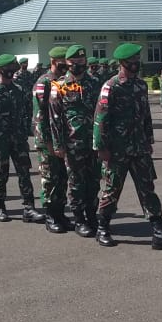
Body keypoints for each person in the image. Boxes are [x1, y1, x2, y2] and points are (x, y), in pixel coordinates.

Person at [92, 42, 162, 251]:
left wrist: (149, 139)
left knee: (148, 189)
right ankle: (102, 227)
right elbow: (100, 119)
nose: (136, 64)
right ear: (122, 63)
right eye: (132, 61)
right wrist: (101, 147)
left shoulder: (141, 85)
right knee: (112, 189)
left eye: (137, 60)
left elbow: (145, 115)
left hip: (139, 147)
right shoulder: (111, 86)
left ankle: (159, 232)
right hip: (117, 149)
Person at [0, 54, 44, 224]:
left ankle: (29, 208)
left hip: (18, 140)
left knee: (24, 174)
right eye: (7, 69)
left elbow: (26, 113)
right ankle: (1, 208)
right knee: (0, 175)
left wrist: (25, 133)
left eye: (12, 69)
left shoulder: (18, 90)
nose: (11, 72)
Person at [49, 45, 100, 237]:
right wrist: (58, 144)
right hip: (72, 144)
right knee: (76, 183)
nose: (79, 65)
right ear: (67, 63)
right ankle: (79, 220)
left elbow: (102, 113)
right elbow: (54, 118)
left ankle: (92, 215)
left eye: (81, 61)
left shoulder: (95, 83)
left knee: (94, 181)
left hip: (93, 143)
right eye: (74, 62)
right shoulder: (59, 86)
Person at [34, 47, 71, 232]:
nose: (67, 65)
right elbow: (41, 115)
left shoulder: (65, 81)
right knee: (49, 178)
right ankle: (50, 216)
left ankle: (60, 213)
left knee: (62, 178)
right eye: (63, 61)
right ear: (54, 61)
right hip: (47, 140)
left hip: (62, 138)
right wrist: (47, 141)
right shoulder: (44, 82)